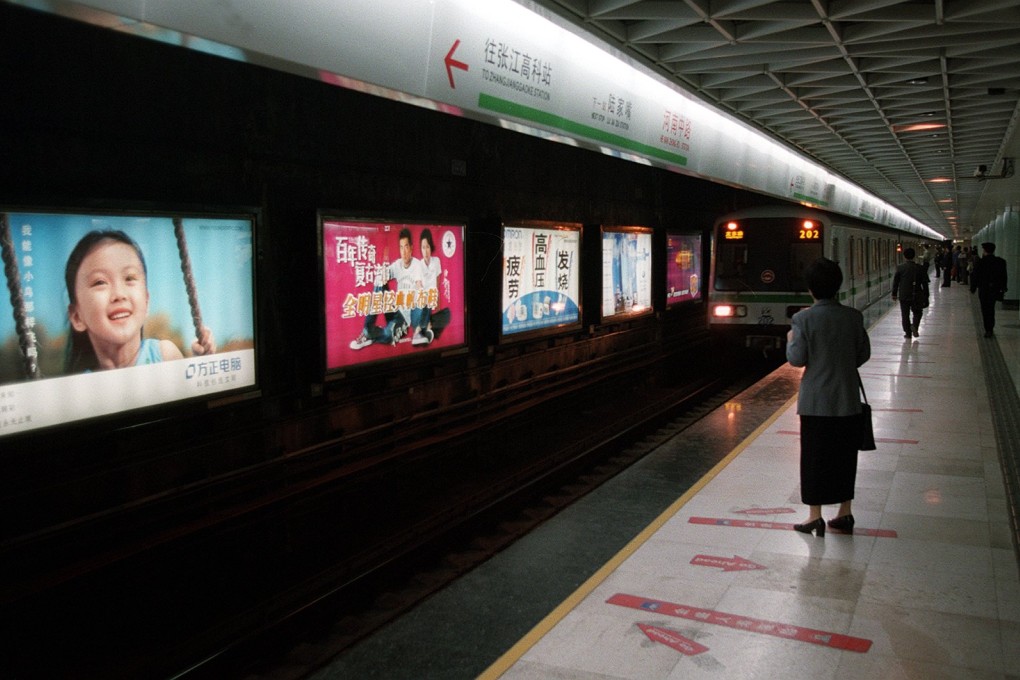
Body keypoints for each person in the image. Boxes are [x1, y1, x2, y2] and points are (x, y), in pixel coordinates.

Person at [786, 258, 871, 536]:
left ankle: (815, 517)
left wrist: (790, 342)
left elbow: (797, 360)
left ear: (810, 288)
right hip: (847, 399)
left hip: (816, 402)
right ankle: (845, 514)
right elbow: (863, 355)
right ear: (838, 286)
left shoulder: (803, 319)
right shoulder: (853, 317)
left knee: (814, 458)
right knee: (845, 457)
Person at [64, 229, 215, 372]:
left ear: (146, 302)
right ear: (77, 317)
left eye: (129, 278)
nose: (119, 294)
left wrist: (202, 364)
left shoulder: (164, 356)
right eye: (100, 282)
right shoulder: (83, 386)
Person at [350, 228, 422, 349]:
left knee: (389, 335)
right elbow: (383, 274)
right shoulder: (398, 264)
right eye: (401, 247)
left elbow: (421, 289)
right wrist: (382, 277)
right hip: (394, 309)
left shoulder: (417, 266)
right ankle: (368, 330)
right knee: (379, 280)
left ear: (411, 248)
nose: (403, 252)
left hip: (403, 321)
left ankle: (373, 333)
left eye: (406, 247)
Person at [411, 228, 442, 346]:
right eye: (423, 247)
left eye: (427, 247)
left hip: (432, 299)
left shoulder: (436, 261)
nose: (425, 251)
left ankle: (426, 329)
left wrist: (437, 304)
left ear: (431, 247)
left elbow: (438, 283)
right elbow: (418, 285)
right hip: (421, 302)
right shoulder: (418, 264)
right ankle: (419, 331)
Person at [970, 242, 1008, 338]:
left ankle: (988, 329)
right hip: (994, 289)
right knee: (991, 308)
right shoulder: (1000, 262)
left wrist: (973, 288)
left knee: (985, 309)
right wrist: (1003, 288)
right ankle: (990, 327)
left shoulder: (980, 262)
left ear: (984, 250)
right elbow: (1004, 276)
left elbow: (975, 276)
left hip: (984, 289)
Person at [891, 247, 928, 338]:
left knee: (905, 314)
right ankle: (914, 326)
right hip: (917, 294)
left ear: (904, 256)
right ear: (914, 256)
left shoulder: (900, 268)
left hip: (904, 294)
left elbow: (896, 282)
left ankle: (908, 333)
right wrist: (926, 295)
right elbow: (925, 283)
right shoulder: (920, 268)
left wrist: (894, 294)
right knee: (918, 312)